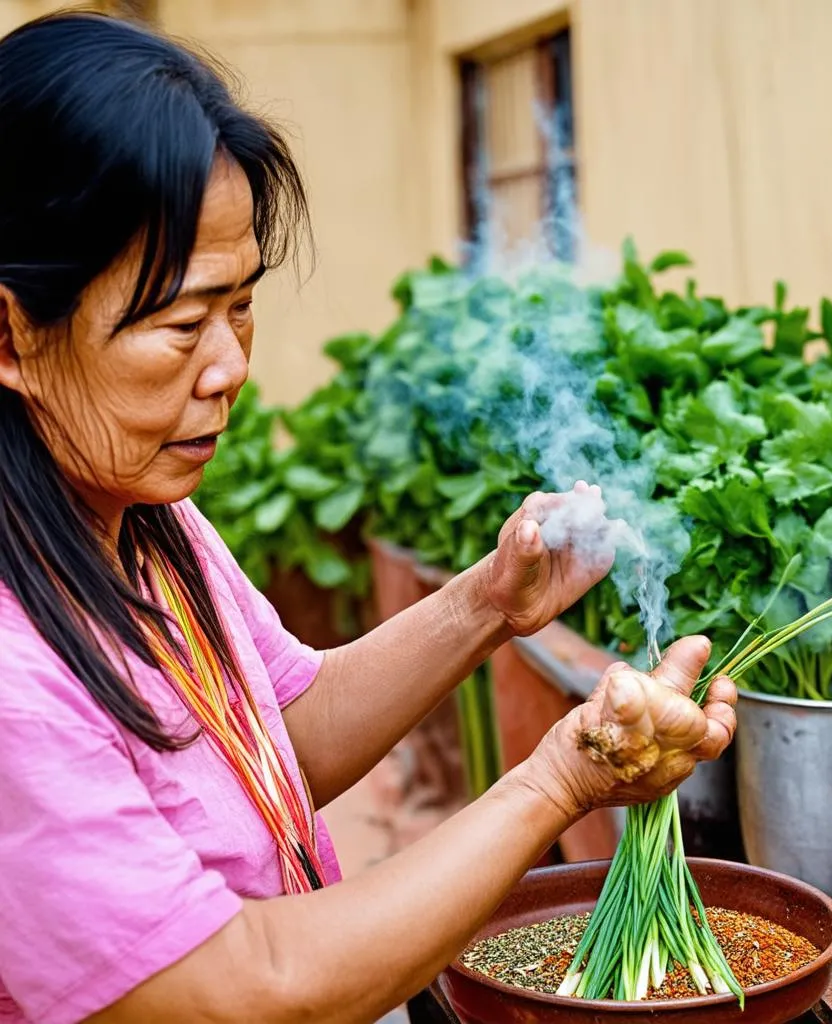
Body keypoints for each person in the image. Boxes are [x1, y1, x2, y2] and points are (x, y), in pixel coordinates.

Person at [0, 12, 738, 1024]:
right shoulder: (11, 683)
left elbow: (279, 731)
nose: (230, 368)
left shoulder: (136, 518)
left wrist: (487, 603)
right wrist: (557, 781)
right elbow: (241, 989)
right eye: (181, 323)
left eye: (243, 305)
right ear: (12, 332)